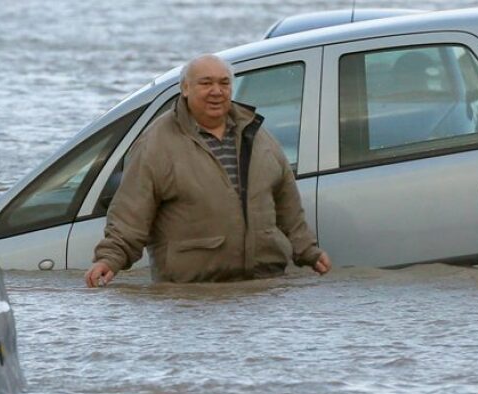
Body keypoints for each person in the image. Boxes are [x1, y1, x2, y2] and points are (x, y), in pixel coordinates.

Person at [85, 53, 331, 287]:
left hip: (263, 287)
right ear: (185, 89)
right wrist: (110, 259)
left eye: (224, 83)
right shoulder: (156, 144)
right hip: (191, 292)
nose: (217, 91)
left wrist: (308, 250)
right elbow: (131, 213)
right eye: (206, 83)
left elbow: (287, 205)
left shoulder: (256, 134)